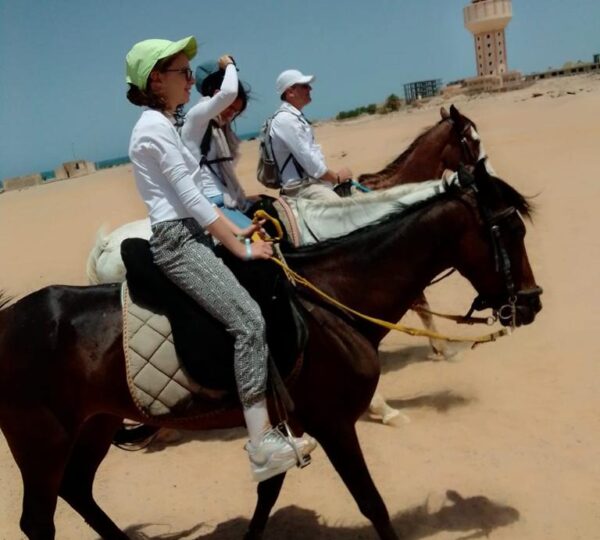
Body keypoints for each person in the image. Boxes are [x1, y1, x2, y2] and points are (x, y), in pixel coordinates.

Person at [125, 36, 316, 481]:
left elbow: (195, 200)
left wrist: (238, 230)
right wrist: (238, 245)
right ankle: (261, 445)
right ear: (156, 79)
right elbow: (191, 198)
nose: (191, 81)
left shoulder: (165, 123)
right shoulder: (153, 129)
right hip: (179, 241)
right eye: (183, 73)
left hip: (192, 231)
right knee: (248, 321)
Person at [181, 59, 254, 229]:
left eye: (235, 112)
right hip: (210, 201)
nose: (230, 115)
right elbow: (228, 92)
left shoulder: (220, 128)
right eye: (229, 108)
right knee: (258, 244)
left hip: (227, 197)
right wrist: (229, 65)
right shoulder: (197, 118)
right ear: (216, 96)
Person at [269, 69, 353, 201]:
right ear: (290, 92)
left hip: (313, 184)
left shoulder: (294, 117)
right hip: (301, 188)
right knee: (341, 210)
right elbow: (308, 160)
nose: (310, 89)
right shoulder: (285, 119)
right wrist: (336, 177)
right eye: (305, 86)